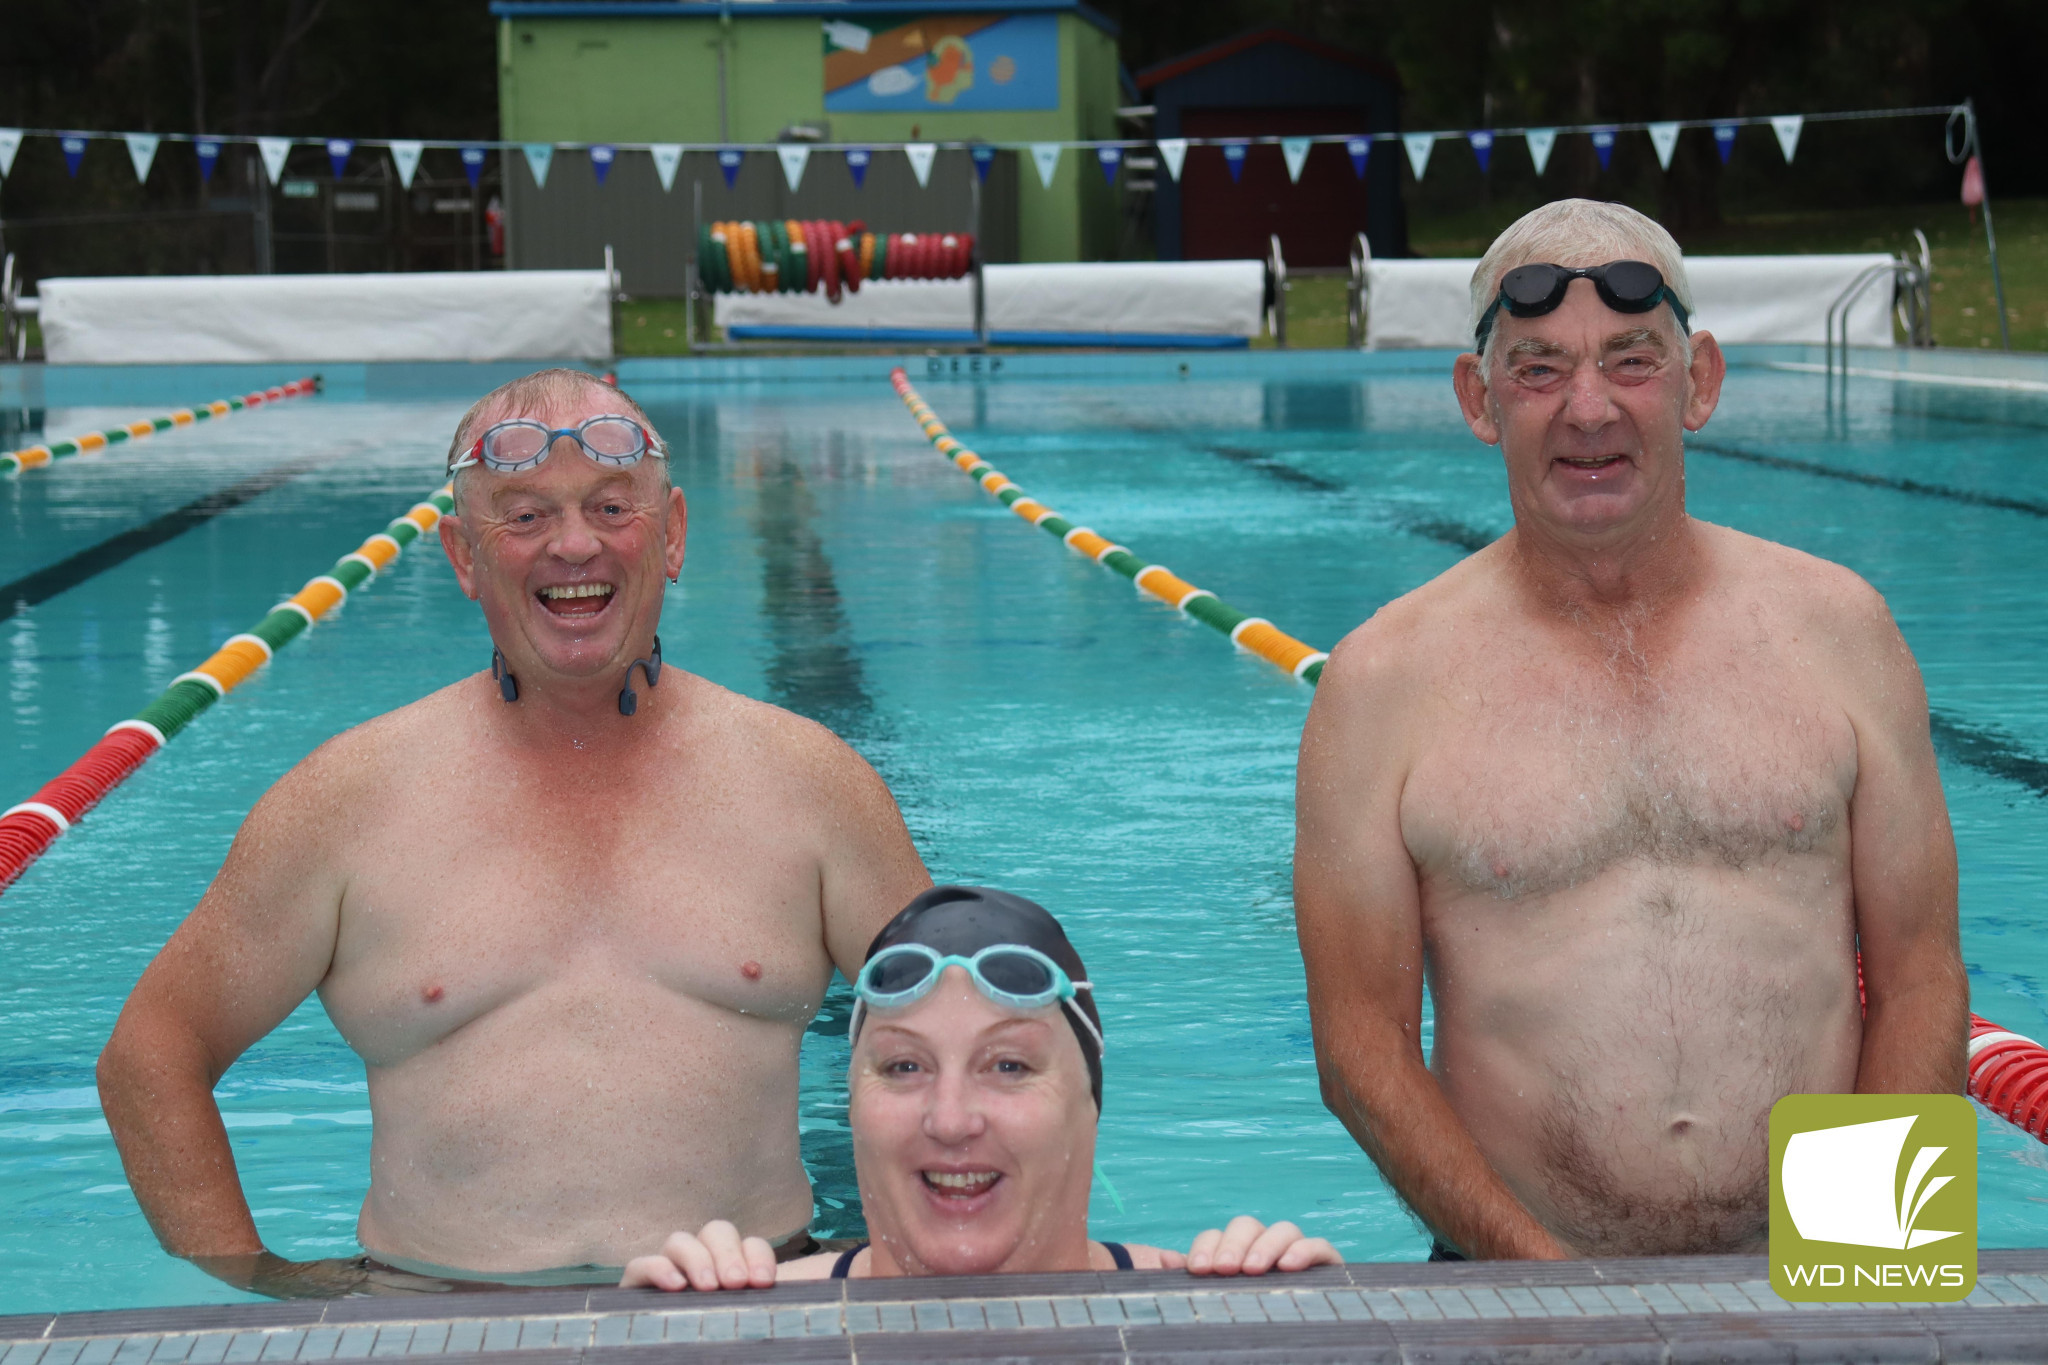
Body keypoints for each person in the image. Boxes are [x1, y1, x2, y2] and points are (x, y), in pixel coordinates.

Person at [97, 369, 931, 1295]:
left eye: (611, 506)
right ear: (462, 555)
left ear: (674, 535)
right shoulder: (345, 802)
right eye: (525, 516)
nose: (574, 545)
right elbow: (152, 1052)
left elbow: (977, 1037)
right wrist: (261, 1283)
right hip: (428, 1322)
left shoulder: (807, 781)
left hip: (747, 1307)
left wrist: (906, 1264)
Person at [1294, 200, 1967, 1261]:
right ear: (1477, 399)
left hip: (1833, 1268)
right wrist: (1548, 1291)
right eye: (1537, 369)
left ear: (1698, 379)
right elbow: (1357, 1047)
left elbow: (1920, 972)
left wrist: (1861, 1262)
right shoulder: (1380, 684)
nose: (1589, 409)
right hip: (1516, 1290)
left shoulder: (1838, 630)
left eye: (1630, 359)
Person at [621, 886, 1340, 1288]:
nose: (952, 1118)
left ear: (1089, 1104)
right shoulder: (748, 1320)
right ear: (852, 1106)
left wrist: (1322, 1318)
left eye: (1008, 1066)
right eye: (904, 1066)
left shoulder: (1211, 1312)